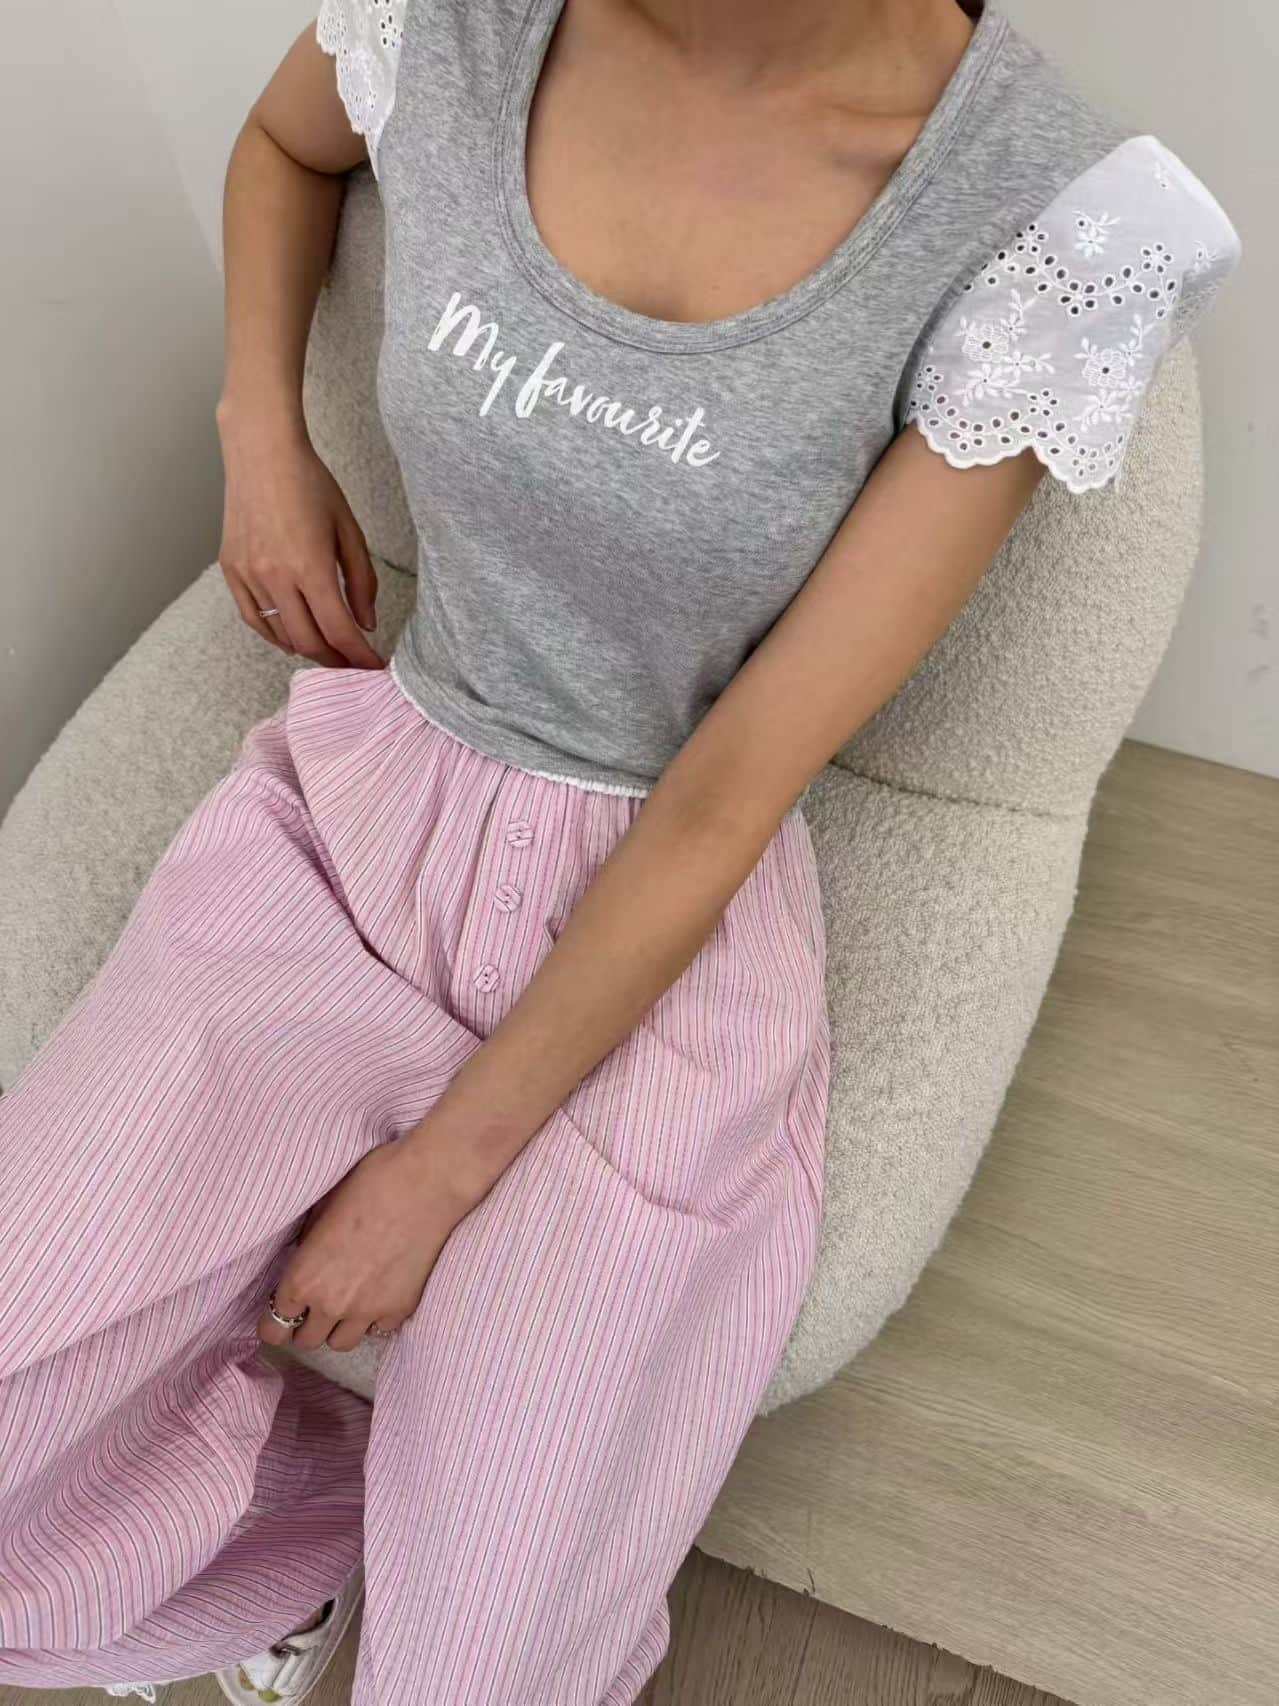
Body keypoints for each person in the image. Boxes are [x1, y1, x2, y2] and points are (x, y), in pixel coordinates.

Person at [0, 0, 1241, 1701]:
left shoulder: (1047, 226)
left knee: (490, 1656)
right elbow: (286, 144)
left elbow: (736, 785)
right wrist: (262, 435)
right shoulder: (453, 18)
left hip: (664, 920)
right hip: (356, 823)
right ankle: (287, 1546)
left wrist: (436, 1179)